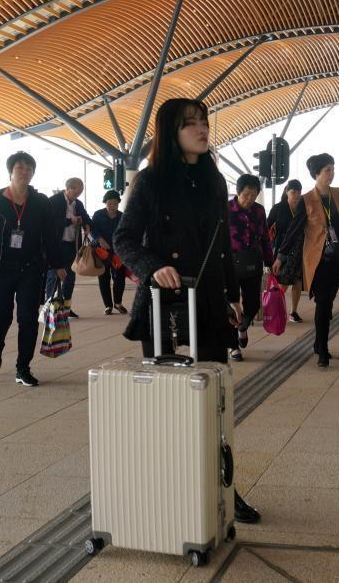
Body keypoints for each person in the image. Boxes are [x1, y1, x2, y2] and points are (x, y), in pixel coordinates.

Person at [113, 97, 260, 523]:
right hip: (166, 304)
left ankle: (223, 489)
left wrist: (234, 294)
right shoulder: (151, 181)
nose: (202, 130)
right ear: (170, 132)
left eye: (204, 122)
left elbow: (223, 245)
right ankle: (166, 489)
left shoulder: (215, 180)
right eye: (191, 124)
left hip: (210, 301)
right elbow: (124, 239)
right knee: (167, 404)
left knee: (214, 399)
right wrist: (153, 268)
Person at [0, 151, 66, 387]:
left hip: (31, 269)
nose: (24, 171)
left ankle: (23, 368)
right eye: (20, 167)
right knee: (0, 318)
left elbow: (50, 236)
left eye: (29, 168)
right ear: (10, 171)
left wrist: (58, 264)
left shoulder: (41, 203)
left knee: (28, 319)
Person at [272, 154, 339, 368]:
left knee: (328, 303)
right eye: (327, 170)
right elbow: (294, 229)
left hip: (337, 258)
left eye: (332, 169)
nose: (331, 174)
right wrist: (280, 257)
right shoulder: (306, 199)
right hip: (317, 260)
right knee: (322, 303)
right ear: (317, 174)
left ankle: (317, 342)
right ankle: (323, 349)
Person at [226, 174, 274, 362]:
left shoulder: (259, 211)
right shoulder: (225, 210)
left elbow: (265, 238)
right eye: (246, 195)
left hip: (253, 263)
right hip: (229, 265)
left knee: (253, 304)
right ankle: (233, 346)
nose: (249, 199)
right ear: (238, 192)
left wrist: (270, 262)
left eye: (253, 195)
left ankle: (243, 327)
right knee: (231, 306)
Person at [46, 177, 92, 318]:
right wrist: (69, 221)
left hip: (72, 245)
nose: (80, 192)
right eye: (79, 189)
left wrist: (87, 225)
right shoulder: (53, 201)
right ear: (69, 188)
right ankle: (51, 308)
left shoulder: (78, 204)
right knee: (54, 277)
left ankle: (66, 308)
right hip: (56, 245)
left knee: (70, 278)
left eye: (82, 189)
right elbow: (49, 224)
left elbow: (85, 217)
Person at [267, 179, 304, 322]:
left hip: (300, 249)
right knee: (283, 282)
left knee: (298, 281)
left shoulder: (303, 209)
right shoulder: (278, 208)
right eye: (293, 192)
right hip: (282, 249)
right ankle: (276, 309)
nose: (296, 195)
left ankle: (293, 312)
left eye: (298, 192)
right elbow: (266, 228)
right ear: (286, 192)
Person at [91, 190, 127, 315]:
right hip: (102, 251)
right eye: (109, 204)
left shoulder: (122, 216)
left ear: (118, 204)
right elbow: (92, 229)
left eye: (115, 204)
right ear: (105, 203)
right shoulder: (98, 215)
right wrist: (100, 239)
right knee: (103, 277)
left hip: (118, 252)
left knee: (120, 277)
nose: (112, 206)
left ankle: (118, 303)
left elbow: (126, 233)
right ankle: (108, 305)